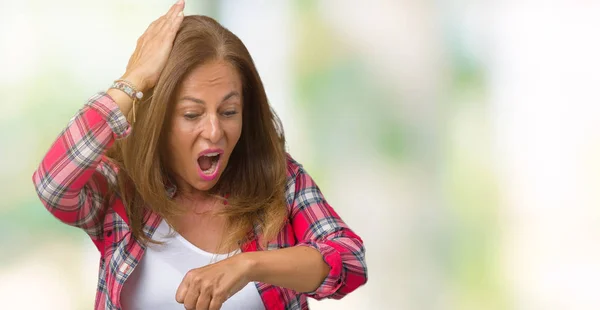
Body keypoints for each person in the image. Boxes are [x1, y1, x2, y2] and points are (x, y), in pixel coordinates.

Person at [32, 1, 367, 309]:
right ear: (159, 120)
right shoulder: (120, 190)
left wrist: (247, 265)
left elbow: (350, 261)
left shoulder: (278, 181)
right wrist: (133, 81)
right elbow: (53, 184)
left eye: (229, 111)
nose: (214, 131)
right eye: (192, 114)